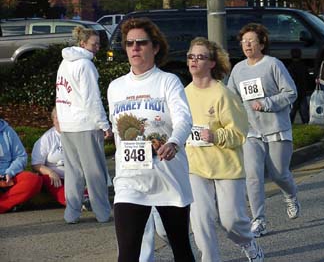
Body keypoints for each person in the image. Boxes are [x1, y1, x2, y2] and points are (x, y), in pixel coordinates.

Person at [107, 17, 195, 262]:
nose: (134, 48)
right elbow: (117, 133)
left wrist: (174, 142)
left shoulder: (168, 81)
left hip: (167, 174)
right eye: (129, 43)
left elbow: (184, 119)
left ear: (155, 47)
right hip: (130, 179)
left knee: (180, 247)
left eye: (141, 43)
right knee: (127, 253)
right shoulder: (115, 87)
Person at [185, 37, 264, 261]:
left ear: (211, 63)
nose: (194, 61)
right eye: (191, 56)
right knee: (201, 220)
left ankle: (248, 242)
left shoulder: (223, 94)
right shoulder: (184, 93)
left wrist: (215, 135)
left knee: (231, 222)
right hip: (196, 166)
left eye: (200, 57)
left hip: (226, 167)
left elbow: (240, 132)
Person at [228, 23, 300, 238]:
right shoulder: (238, 69)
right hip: (251, 131)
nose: (247, 45)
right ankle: (258, 220)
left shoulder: (273, 65)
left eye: (251, 41)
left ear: (262, 43)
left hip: (276, 127)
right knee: (252, 176)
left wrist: (267, 102)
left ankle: (290, 194)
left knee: (279, 174)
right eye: (244, 42)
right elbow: (232, 97)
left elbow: (291, 92)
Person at [56, 26, 112, 224]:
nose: (97, 47)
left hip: (68, 125)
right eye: (93, 44)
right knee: (94, 171)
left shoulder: (64, 63)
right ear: (82, 44)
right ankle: (103, 213)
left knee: (73, 172)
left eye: (98, 43)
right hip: (85, 124)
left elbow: (60, 94)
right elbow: (92, 99)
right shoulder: (86, 65)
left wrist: (62, 121)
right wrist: (104, 124)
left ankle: (71, 213)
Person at [0, 119, 42, 213]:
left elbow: (21, 156)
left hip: (8, 177)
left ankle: (3, 205)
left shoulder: (7, 131)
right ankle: (10, 204)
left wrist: (10, 172)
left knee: (34, 180)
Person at [31, 107, 66, 206]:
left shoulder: (76, 135)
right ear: (53, 120)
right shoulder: (46, 138)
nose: (60, 120)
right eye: (57, 118)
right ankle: (73, 201)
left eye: (63, 117)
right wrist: (50, 172)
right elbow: (36, 164)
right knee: (49, 179)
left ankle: (86, 198)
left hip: (75, 176)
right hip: (56, 177)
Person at [288, 48, 309, 124]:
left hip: (294, 91)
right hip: (303, 91)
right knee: (304, 110)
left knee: (292, 110)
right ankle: (306, 123)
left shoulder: (290, 67)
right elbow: (307, 78)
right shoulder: (303, 66)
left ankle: (290, 123)